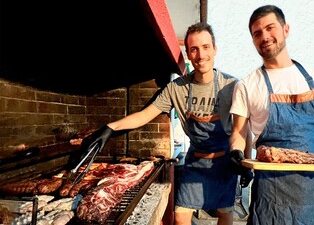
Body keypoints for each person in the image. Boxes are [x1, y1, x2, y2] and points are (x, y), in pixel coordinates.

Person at [74, 22, 253, 225]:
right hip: (195, 162)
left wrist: (246, 163)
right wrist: (110, 128)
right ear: (188, 53)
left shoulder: (233, 86)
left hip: (224, 163)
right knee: (180, 216)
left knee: (224, 214)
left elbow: (243, 130)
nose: (200, 55)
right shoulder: (176, 88)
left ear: (214, 49)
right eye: (194, 49)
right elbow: (144, 115)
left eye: (205, 47)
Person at [228, 5, 314, 225]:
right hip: (270, 199)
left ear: (286, 29)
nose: (265, 36)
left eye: (270, 27)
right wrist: (236, 153)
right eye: (257, 33)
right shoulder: (247, 85)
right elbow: (239, 131)